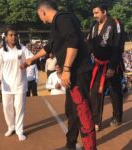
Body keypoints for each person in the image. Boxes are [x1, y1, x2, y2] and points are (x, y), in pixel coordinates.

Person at [21, 1, 96, 149]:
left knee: (82, 110)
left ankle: (91, 147)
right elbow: (49, 46)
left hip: (78, 71)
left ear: (43, 11)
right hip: (73, 73)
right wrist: (32, 59)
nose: (39, 18)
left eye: (38, 15)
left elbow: (73, 41)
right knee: (71, 110)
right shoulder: (56, 24)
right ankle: (71, 143)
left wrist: (66, 69)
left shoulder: (63, 19)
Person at [87, 4, 124, 131]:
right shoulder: (93, 27)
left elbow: (118, 45)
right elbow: (89, 45)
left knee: (115, 92)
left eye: (96, 13)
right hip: (98, 64)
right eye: (93, 13)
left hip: (113, 63)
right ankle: (96, 121)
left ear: (104, 12)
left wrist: (112, 67)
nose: (94, 16)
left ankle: (117, 116)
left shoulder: (115, 23)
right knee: (95, 92)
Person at [0, 26, 31, 141]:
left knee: (19, 108)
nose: (13, 37)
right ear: (6, 37)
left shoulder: (23, 49)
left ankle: (19, 130)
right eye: (11, 35)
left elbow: (32, 58)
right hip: (6, 85)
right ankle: (11, 127)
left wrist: (25, 64)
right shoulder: (2, 51)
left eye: (15, 35)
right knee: (7, 107)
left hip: (20, 84)